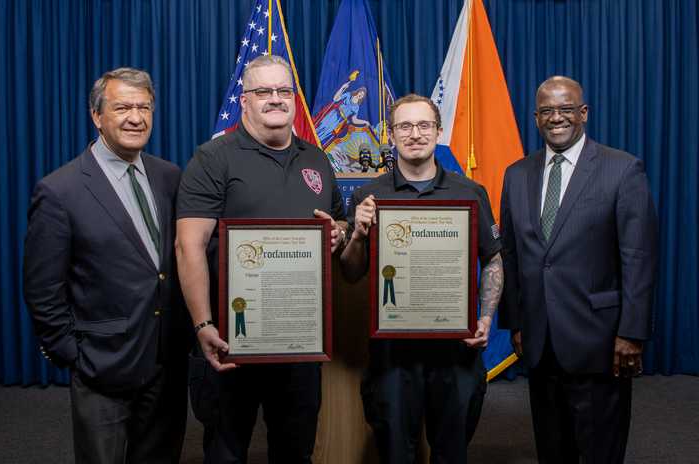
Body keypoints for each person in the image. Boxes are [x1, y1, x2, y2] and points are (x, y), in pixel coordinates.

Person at [175, 55, 347, 463]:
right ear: (244, 100)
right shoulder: (213, 158)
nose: (275, 99)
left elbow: (336, 220)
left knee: (295, 450)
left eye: (284, 91)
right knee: (225, 451)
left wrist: (338, 231)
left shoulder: (317, 159)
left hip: (299, 340)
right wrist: (203, 324)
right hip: (231, 340)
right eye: (263, 91)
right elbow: (189, 246)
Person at [23, 67, 189, 464]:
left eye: (144, 106)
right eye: (123, 107)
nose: (136, 117)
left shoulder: (169, 176)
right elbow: (41, 288)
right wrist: (72, 353)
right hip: (102, 366)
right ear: (97, 116)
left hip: (166, 360)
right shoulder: (59, 190)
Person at [499, 76, 658, 463]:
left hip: (600, 341)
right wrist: (516, 323)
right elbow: (511, 254)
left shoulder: (622, 169)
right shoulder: (516, 174)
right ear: (536, 118)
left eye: (566, 109)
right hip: (539, 339)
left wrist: (632, 333)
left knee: (599, 450)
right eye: (547, 111)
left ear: (583, 113)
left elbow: (638, 256)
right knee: (552, 449)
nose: (557, 118)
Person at [340, 94, 504, 464]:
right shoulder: (369, 195)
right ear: (391, 135)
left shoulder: (470, 192)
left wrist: (486, 318)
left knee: (452, 452)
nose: (415, 134)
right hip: (394, 356)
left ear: (438, 131)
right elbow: (351, 272)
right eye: (405, 126)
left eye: (424, 125)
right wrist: (359, 234)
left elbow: (493, 259)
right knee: (397, 453)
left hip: (456, 353)